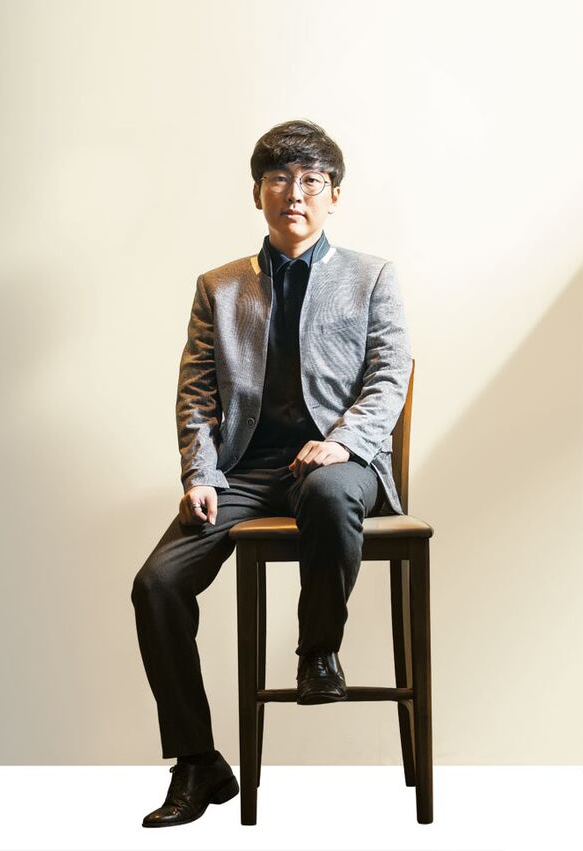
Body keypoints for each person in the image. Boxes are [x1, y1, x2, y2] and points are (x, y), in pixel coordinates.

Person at [131, 118, 412, 827]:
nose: (296, 193)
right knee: (156, 585)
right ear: (258, 192)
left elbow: (388, 378)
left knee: (327, 491)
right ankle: (197, 762)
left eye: (312, 180)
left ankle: (318, 652)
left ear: (334, 195)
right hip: (246, 472)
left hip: (341, 465)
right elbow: (197, 392)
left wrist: (343, 442)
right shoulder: (220, 286)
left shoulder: (372, 276)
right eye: (280, 179)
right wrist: (200, 473)